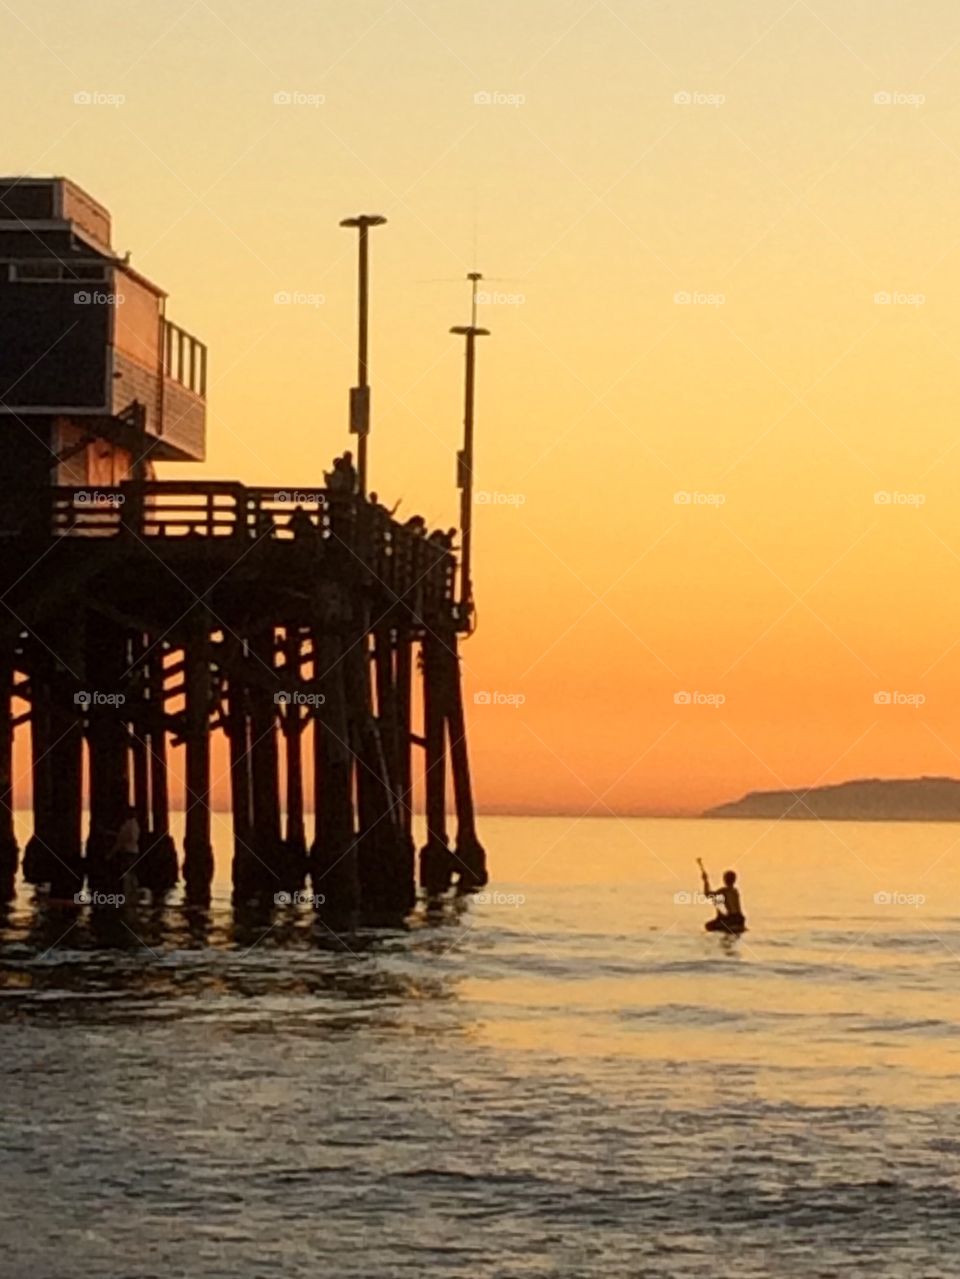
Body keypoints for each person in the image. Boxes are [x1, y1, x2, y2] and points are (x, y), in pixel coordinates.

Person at [698, 859, 746, 932]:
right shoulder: (735, 891)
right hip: (740, 919)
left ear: (725, 880)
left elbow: (707, 894)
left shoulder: (723, 891)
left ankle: (726, 926)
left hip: (730, 920)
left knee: (708, 926)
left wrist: (705, 881)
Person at [111, 806, 141, 906]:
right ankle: (133, 895)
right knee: (132, 874)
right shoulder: (135, 824)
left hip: (128, 852)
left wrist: (111, 853)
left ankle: (127, 897)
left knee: (127, 874)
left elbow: (121, 840)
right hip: (134, 851)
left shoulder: (128, 825)